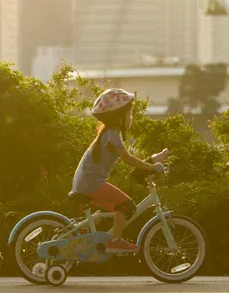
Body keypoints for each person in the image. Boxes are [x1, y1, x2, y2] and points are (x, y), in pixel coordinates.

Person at [71, 88, 170, 253]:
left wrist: (154, 159)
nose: (131, 118)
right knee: (126, 206)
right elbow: (129, 159)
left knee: (111, 209)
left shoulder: (110, 134)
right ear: (118, 117)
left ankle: (81, 230)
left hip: (87, 182)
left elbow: (133, 158)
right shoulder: (112, 135)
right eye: (128, 114)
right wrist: (152, 167)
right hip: (91, 184)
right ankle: (114, 241)